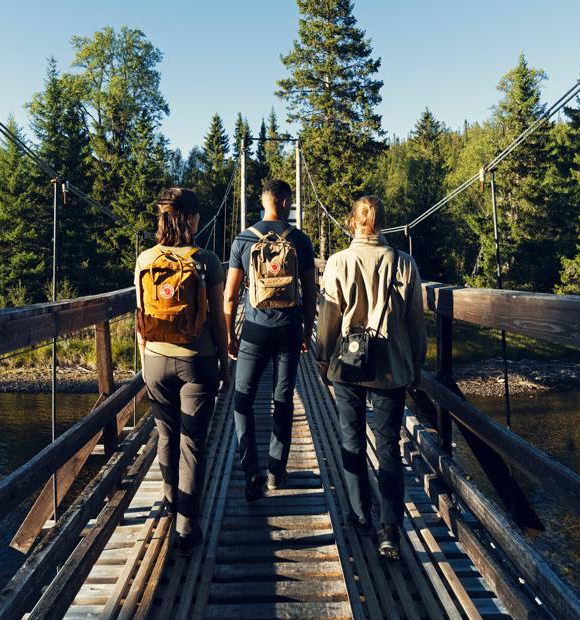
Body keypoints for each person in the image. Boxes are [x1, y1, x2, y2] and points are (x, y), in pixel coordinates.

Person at [315, 195, 427, 560]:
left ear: (352, 222)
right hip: (392, 367)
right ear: (382, 222)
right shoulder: (405, 264)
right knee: (389, 445)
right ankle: (390, 528)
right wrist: (417, 363)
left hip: (348, 366)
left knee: (351, 440)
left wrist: (322, 358)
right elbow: (416, 323)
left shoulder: (338, 262)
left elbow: (329, 319)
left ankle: (361, 516)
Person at [135, 187, 229, 556]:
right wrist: (224, 361)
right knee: (193, 443)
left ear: (161, 217)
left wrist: (145, 359)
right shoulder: (206, 259)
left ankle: (172, 502)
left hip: (156, 359)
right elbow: (220, 321)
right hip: (197, 360)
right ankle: (187, 529)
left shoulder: (145, 258)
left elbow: (140, 314)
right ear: (191, 218)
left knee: (166, 435)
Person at [223, 179, 317, 501]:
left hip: (254, 331)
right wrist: (306, 331)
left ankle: (251, 471)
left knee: (242, 399)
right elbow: (311, 294)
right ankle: (276, 470)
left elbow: (230, 295)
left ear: (263, 202)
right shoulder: (301, 241)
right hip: (289, 329)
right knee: (283, 400)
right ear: (288, 203)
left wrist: (228, 336)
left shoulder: (243, 240)